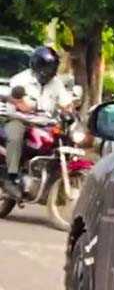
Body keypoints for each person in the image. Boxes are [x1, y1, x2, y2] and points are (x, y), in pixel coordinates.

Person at [2, 46, 73, 199]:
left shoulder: (56, 83)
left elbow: (66, 103)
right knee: (15, 137)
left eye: (53, 66)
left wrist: (69, 111)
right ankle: (11, 176)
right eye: (47, 66)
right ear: (37, 65)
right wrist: (23, 104)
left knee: (63, 139)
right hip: (20, 119)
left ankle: (56, 178)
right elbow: (19, 102)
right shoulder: (20, 80)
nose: (50, 70)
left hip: (45, 123)